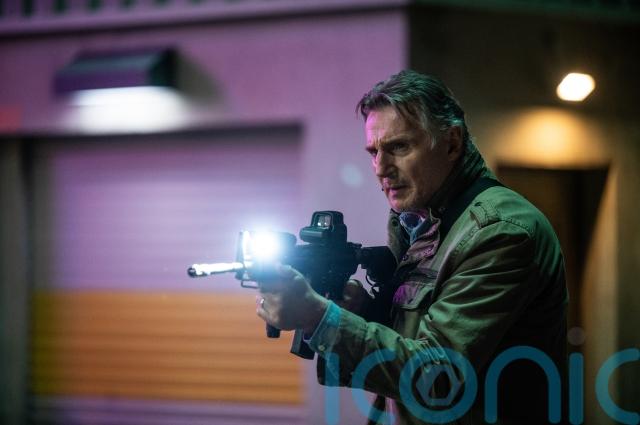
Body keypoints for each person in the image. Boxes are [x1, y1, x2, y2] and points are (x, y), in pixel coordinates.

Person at [256, 70, 568, 424]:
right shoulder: (417, 220)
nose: (381, 168)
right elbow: (415, 338)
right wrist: (364, 311)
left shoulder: (499, 231)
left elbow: (438, 377)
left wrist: (319, 317)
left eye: (399, 147)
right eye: (373, 151)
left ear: (451, 143)